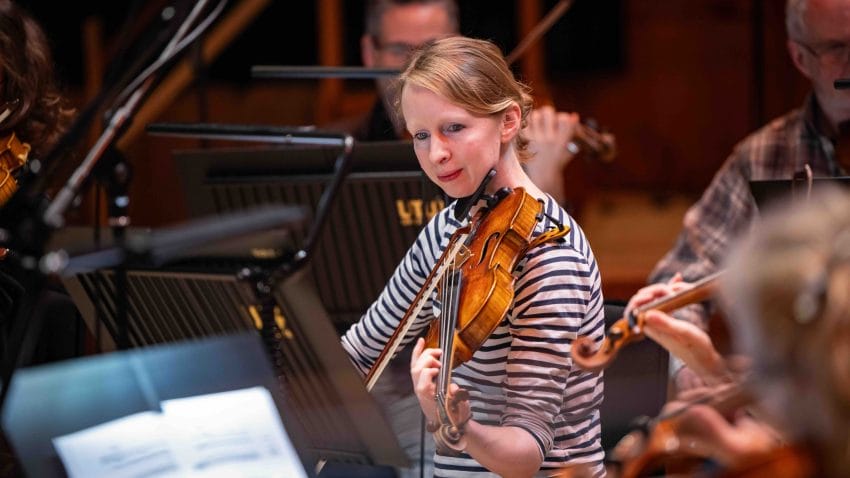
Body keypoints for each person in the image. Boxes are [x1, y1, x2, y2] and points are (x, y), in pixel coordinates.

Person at [341, 37, 605, 477]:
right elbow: (360, 351)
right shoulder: (449, 227)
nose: (436, 153)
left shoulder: (549, 254)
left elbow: (525, 454)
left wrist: (458, 427)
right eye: (421, 136)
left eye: (454, 128)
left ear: (508, 122)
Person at [645, 0, 850, 390]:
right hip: (794, 402)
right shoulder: (760, 157)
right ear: (801, 58)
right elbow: (681, 278)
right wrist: (690, 366)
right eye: (837, 48)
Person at [333, 0, 580, 204]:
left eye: (431, 48)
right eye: (399, 50)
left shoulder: (494, 146)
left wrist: (544, 180)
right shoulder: (334, 152)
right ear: (369, 52)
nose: (415, 66)